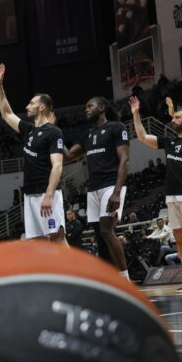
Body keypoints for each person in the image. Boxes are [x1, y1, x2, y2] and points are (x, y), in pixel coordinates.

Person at [131, 96, 182, 291]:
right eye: (173, 118)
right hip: (172, 197)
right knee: (179, 237)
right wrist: (136, 114)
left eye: (177, 118)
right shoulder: (169, 142)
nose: (173, 120)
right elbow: (143, 138)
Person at [0, 64, 65, 244]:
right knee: (38, 242)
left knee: (57, 237)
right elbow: (6, 113)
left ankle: (76, 273)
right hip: (30, 194)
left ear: (42, 107)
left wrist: (49, 195)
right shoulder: (28, 130)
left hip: (46, 192)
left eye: (32, 103)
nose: (27, 106)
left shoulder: (53, 132)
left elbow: (57, 166)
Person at [64, 96, 130, 272]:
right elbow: (68, 156)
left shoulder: (116, 127)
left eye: (89, 106)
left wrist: (116, 192)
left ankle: (125, 279)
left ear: (101, 108)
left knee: (107, 232)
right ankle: (109, 277)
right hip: (92, 189)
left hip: (110, 186)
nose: (86, 109)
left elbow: (124, 160)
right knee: (100, 236)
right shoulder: (87, 134)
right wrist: (54, 133)